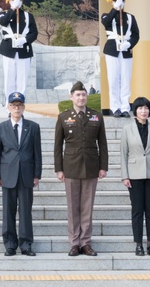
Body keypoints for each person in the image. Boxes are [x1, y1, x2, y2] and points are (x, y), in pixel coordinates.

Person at [54, 80, 108, 257]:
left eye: (84, 95)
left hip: (91, 166)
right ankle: (74, 242)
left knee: (87, 207)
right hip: (70, 167)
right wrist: (59, 169)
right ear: (71, 97)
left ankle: (86, 242)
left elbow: (103, 144)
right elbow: (57, 145)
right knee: (73, 207)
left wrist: (103, 166)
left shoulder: (96, 116)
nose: (81, 98)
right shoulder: (64, 117)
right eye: (78, 95)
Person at [0, 91, 41, 257]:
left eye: (19, 105)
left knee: (26, 211)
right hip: (7, 174)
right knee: (8, 211)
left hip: (26, 174)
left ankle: (26, 244)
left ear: (24, 107)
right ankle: (10, 244)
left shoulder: (33, 127)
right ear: (8, 107)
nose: (16, 108)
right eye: (13, 105)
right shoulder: (0, 128)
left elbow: (37, 153)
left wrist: (37, 174)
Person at [119, 96, 150, 256]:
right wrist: (124, 176)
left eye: (146, 108)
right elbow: (123, 154)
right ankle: (138, 243)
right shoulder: (127, 129)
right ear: (135, 111)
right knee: (137, 210)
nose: (143, 111)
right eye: (140, 108)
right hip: (134, 174)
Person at [101, 0, 139, 117]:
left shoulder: (130, 17)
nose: (120, 3)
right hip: (112, 50)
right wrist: (115, 9)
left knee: (125, 80)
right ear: (112, 2)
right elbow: (106, 23)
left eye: (122, 1)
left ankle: (125, 108)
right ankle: (115, 107)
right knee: (113, 80)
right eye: (117, 1)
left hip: (126, 50)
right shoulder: (106, 15)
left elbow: (136, 35)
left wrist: (129, 44)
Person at [0, 0, 38, 106]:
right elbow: (3, 22)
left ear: (22, 1)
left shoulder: (28, 16)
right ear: (9, 1)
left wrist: (24, 40)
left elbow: (34, 33)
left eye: (19, 0)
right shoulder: (4, 13)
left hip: (23, 50)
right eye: (13, 0)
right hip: (9, 50)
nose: (16, 1)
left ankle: (20, 104)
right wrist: (12, 9)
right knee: (9, 79)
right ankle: (9, 104)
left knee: (22, 80)